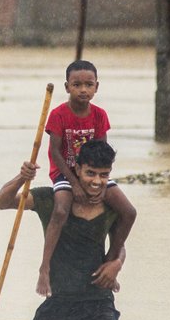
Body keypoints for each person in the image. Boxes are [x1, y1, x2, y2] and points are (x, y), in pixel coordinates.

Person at [0, 141, 129, 320]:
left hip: (99, 302)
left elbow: (119, 243)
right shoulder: (51, 199)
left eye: (104, 175)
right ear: (77, 169)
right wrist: (21, 178)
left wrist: (117, 263)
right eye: (90, 173)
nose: (97, 182)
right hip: (59, 301)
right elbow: (1, 202)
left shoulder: (111, 206)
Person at [37, 60, 137, 297]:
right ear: (67, 87)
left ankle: (110, 262)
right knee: (61, 210)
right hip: (65, 172)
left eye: (88, 85)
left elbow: (102, 152)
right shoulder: (59, 115)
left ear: (96, 87)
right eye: (77, 84)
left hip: (93, 172)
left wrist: (101, 184)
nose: (83, 90)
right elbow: (55, 153)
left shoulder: (99, 115)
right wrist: (73, 182)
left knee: (129, 212)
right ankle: (44, 267)